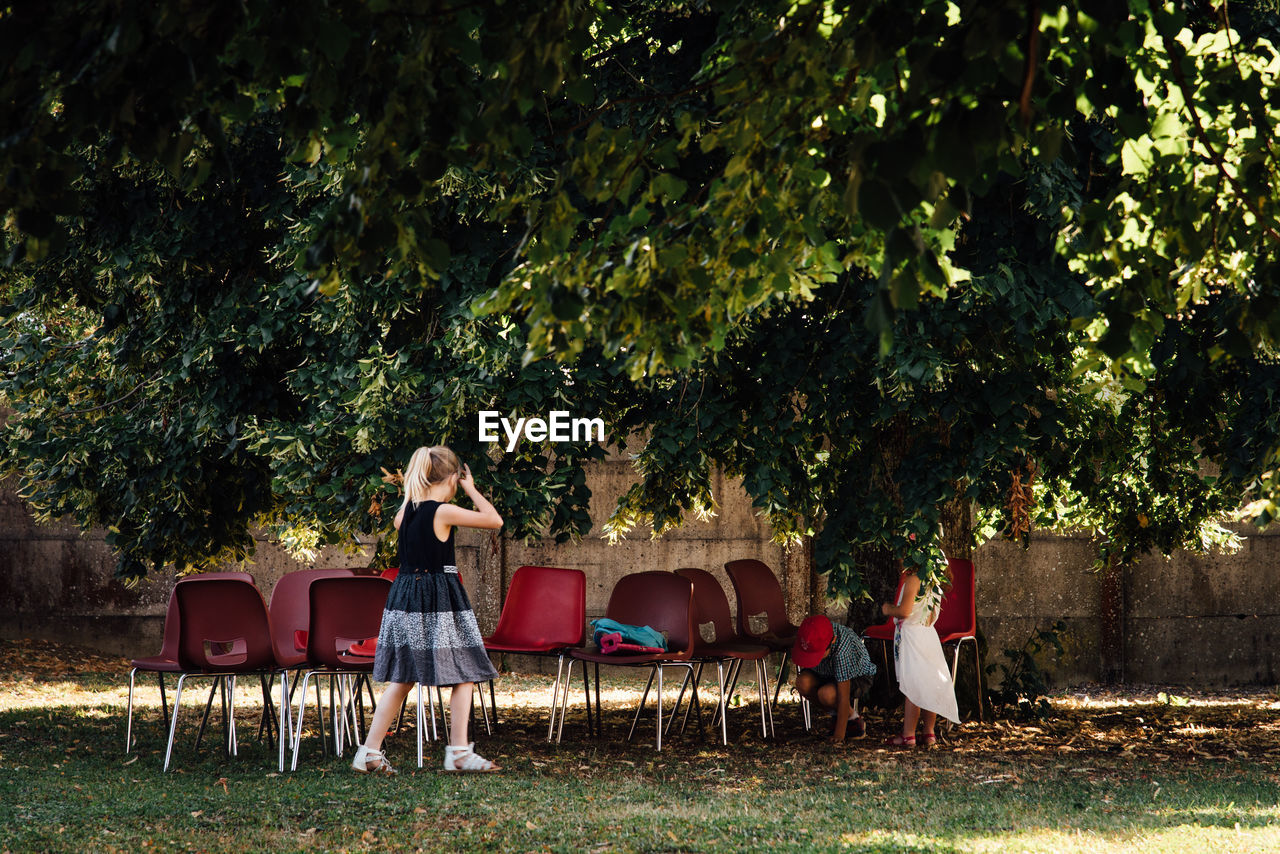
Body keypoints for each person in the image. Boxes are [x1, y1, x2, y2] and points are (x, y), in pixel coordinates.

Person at [351, 445, 503, 774]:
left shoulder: (404, 513)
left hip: (404, 598)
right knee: (466, 671)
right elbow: (494, 520)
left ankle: (370, 752)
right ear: (451, 478)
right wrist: (472, 489)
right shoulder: (442, 511)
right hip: (437, 599)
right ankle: (459, 752)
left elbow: (405, 521)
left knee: (403, 677)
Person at [880, 566, 960, 747]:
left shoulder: (914, 580)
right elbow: (930, 614)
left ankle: (908, 734)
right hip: (928, 635)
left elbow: (904, 611)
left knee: (913, 685)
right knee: (929, 682)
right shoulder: (933, 580)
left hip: (912, 636)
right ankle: (929, 732)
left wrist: (888, 609)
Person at [791, 614, 877, 742]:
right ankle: (840, 717)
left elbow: (843, 696)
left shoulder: (842, 650)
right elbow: (796, 639)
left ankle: (853, 721)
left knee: (826, 694)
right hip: (826, 673)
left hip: (857, 677)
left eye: (818, 653)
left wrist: (838, 735)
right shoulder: (813, 633)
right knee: (802, 682)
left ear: (833, 641)